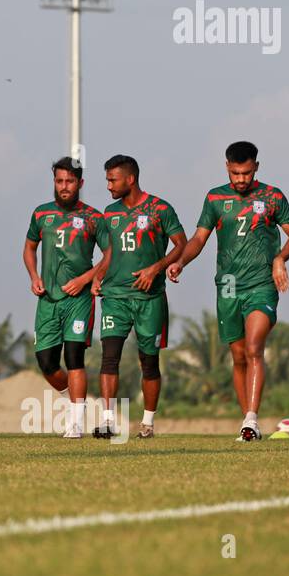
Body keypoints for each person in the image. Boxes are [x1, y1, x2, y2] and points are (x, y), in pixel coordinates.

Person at [167, 141, 289, 442]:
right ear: (227, 168)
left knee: (254, 348)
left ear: (256, 167)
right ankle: (247, 424)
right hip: (227, 285)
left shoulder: (272, 196)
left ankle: (252, 420)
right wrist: (180, 262)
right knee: (238, 355)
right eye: (235, 173)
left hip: (261, 285)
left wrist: (280, 258)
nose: (240, 179)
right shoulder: (215, 198)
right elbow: (199, 239)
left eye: (246, 173)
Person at [91, 155, 187, 440]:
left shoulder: (160, 208)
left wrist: (156, 268)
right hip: (115, 297)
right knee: (109, 358)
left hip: (150, 298)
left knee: (149, 362)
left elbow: (181, 244)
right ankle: (108, 421)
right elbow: (110, 254)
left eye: (112, 180)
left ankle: (147, 423)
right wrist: (97, 276)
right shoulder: (109, 213)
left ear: (130, 179)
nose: (108, 185)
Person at [23, 157, 106, 439]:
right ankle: (75, 398)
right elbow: (28, 248)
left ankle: (76, 422)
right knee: (47, 362)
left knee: (74, 357)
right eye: (59, 181)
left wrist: (86, 279)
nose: (64, 186)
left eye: (70, 181)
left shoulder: (94, 218)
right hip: (48, 299)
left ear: (80, 183)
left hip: (79, 300)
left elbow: (111, 256)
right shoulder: (41, 214)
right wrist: (34, 276)